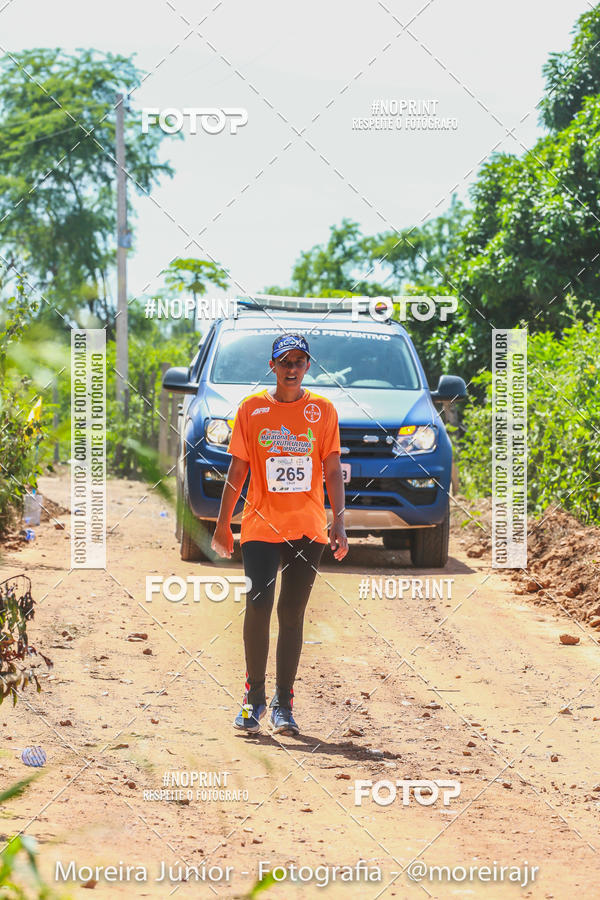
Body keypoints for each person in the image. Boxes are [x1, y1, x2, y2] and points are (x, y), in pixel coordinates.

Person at [211, 333, 348, 736]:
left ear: (308, 366)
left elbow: (332, 468)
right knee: (258, 606)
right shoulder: (251, 410)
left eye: (299, 362)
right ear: (272, 366)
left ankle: (283, 704)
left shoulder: (322, 411)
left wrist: (338, 521)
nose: (292, 369)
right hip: (260, 527)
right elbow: (237, 471)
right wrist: (223, 524)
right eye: (284, 361)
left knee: (291, 614)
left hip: (307, 528)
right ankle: (253, 699)